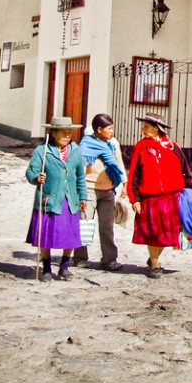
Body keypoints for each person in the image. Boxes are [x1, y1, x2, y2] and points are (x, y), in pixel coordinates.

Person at [126, 111, 192, 278]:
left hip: (172, 198)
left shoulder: (173, 147)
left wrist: (190, 193)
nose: (143, 129)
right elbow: (134, 175)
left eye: (147, 126)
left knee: (168, 233)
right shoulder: (141, 148)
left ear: (157, 129)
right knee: (153, 232)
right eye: (143, 126)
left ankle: (153, 257)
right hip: (150, 198)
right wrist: (134, 198)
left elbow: (186, 171)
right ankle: (155, 265)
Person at [25, 116, 87, 282]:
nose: (67, 136)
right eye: (63, 132)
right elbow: (30, 172)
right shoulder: (43, 151)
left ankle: (64, 266)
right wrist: (37, 177)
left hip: (70, 200)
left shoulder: (75, 150)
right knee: (46, 235)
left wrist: (84, 197)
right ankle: (46, 268)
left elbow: (80, 176)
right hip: (49, 200)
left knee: (71, 235)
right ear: (53, 133)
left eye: (69, 132)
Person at [75, 113, 127, 271]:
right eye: (109, 129)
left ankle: (109, 259)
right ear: (98, 129)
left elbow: (118, 162)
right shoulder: (86, 144)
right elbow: (80, 168)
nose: (112, 132)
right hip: (89, 189)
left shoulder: (113, 144)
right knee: (85, 224)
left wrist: (123, 183)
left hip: (108, 191)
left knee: (107, 226)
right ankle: (80, 257)